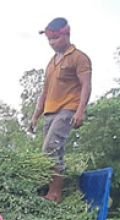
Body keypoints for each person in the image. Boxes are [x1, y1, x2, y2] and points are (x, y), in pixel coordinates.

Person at [30, 17, 93, 203]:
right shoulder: (51, 62)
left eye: (55, 39)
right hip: (50, 112)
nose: (51, 43)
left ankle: (55, 193)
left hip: (68, 109)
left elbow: (86, 86)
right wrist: (35, 116)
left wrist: (80, 111)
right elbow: (45, 92)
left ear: (66, 34)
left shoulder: (79, 58)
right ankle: (53, 190)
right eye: (49, 40)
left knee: (50, 148)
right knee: (53, 153)